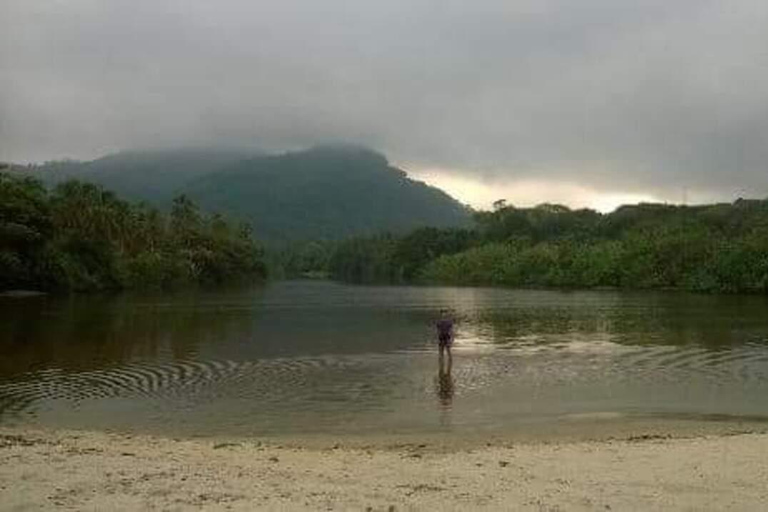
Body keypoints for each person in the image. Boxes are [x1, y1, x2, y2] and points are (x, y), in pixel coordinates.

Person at [436, 309, 454, 375]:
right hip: (441, 337)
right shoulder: (438, 322)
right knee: (441, 351)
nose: (444, 315)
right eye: (442, 313)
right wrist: (437, 338)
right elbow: (438, 331)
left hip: (447, 336)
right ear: (441, 314)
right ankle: (441, 365)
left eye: (445, 313)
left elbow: (451, 330)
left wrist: (452, 338)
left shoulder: (449, 322)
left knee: (448, 350)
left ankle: (450, 364)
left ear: (446, 314)